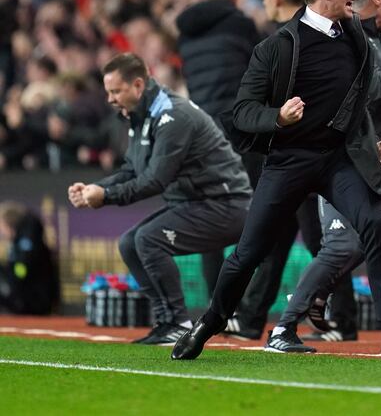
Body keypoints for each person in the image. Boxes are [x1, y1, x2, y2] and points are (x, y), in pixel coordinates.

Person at [172, 0, 381, 361]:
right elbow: (242, 111)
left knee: (378, 226)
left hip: (339, 158)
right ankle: (209, 322)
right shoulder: (277, 46)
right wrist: (277, 117)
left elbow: (360, 97)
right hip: (290, 160)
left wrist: (366, 143)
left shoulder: (355, 36)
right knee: (249, 252)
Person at [271, 0, 381, 345]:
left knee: (374, 242)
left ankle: (331, 304)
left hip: (371, 158)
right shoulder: (348, 37)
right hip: (343, 158)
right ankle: (284, 326)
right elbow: (373, 86)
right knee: (345, 244)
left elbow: (380, 56)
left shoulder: (373, 39)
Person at [68, 53, 251, 345]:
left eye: (116, 91)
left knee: (148, 240)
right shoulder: (142, 114)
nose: (111, 99)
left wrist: (106, 196)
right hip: (196, 203)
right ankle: (167, 319)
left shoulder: (171, 115)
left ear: (138, 85)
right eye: (108, 92)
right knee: (129, 243)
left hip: (226, 206)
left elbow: (155, 180)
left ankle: (178, 322)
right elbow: (132, 168)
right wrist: (95, 187)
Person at [222, 0, 324, 342]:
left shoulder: (290, 42)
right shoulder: (280, 41)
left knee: (319, 242)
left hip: (303, 153)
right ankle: (250, 318)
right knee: (276, 239)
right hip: (286, 152)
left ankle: (341, 320)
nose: (263, 3)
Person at [176, 0, 261, 301]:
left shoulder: (186, 32)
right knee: (253, 213)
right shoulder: (241, 23)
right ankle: (245, 302)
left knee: (211, 217)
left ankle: (216, 305)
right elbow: (258, 72)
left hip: (201, 132)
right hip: (239, 129)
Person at [0, 202, 58, 315]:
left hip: (35, 301)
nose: (1, 232)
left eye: (2, 226)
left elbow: (21, 271)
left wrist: (10, 280)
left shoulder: (28, 242)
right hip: (27, 297)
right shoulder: (17, 244)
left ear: (9, 224)